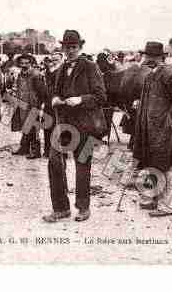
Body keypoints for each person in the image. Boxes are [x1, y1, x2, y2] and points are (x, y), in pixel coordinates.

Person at [43, 30, 107, 223]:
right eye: (67, 47)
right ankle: (61, 208)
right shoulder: (61, 69)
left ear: (80, 47)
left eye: (74, 47)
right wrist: (54, 98)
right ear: (62, 48)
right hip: (63, 124)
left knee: (82, 165)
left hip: (86, 125)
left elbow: (101, 96)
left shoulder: (91, 67)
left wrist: (80, 99)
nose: (70, 51)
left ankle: (83, 207)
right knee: (54, 162)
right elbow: (55, 91)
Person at [133, 42, 172, 217]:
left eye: (149, 56)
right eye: (146, 56)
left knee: (162, 162)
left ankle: (166, 204)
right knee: (150, 160)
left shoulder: (168, 74)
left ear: (158, 57)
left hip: (162, 127)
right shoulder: (151, 75)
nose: (146, 59)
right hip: (149, 127)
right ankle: (152, 198)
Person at [11, 53, 47, 159]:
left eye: (26, 63)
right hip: (22, 104)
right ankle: (24, 148)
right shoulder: (20, 74)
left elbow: (42, 92)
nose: (24, 65)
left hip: (33, 105)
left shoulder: (36, 75)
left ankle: (36, 151)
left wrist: (38, 105)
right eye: (22, 63)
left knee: (33, 128)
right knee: (25, 127)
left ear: (31, 63)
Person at [43, 51, 64, 158]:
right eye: (52, 60)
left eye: (56, 60)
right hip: (48, 102)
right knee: (47, 126)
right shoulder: (48, 71)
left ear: (61, 60)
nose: (54, 62)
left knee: (60, 127)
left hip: (60, 102)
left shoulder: (64, 71)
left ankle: (61, 152)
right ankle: (47, 150)